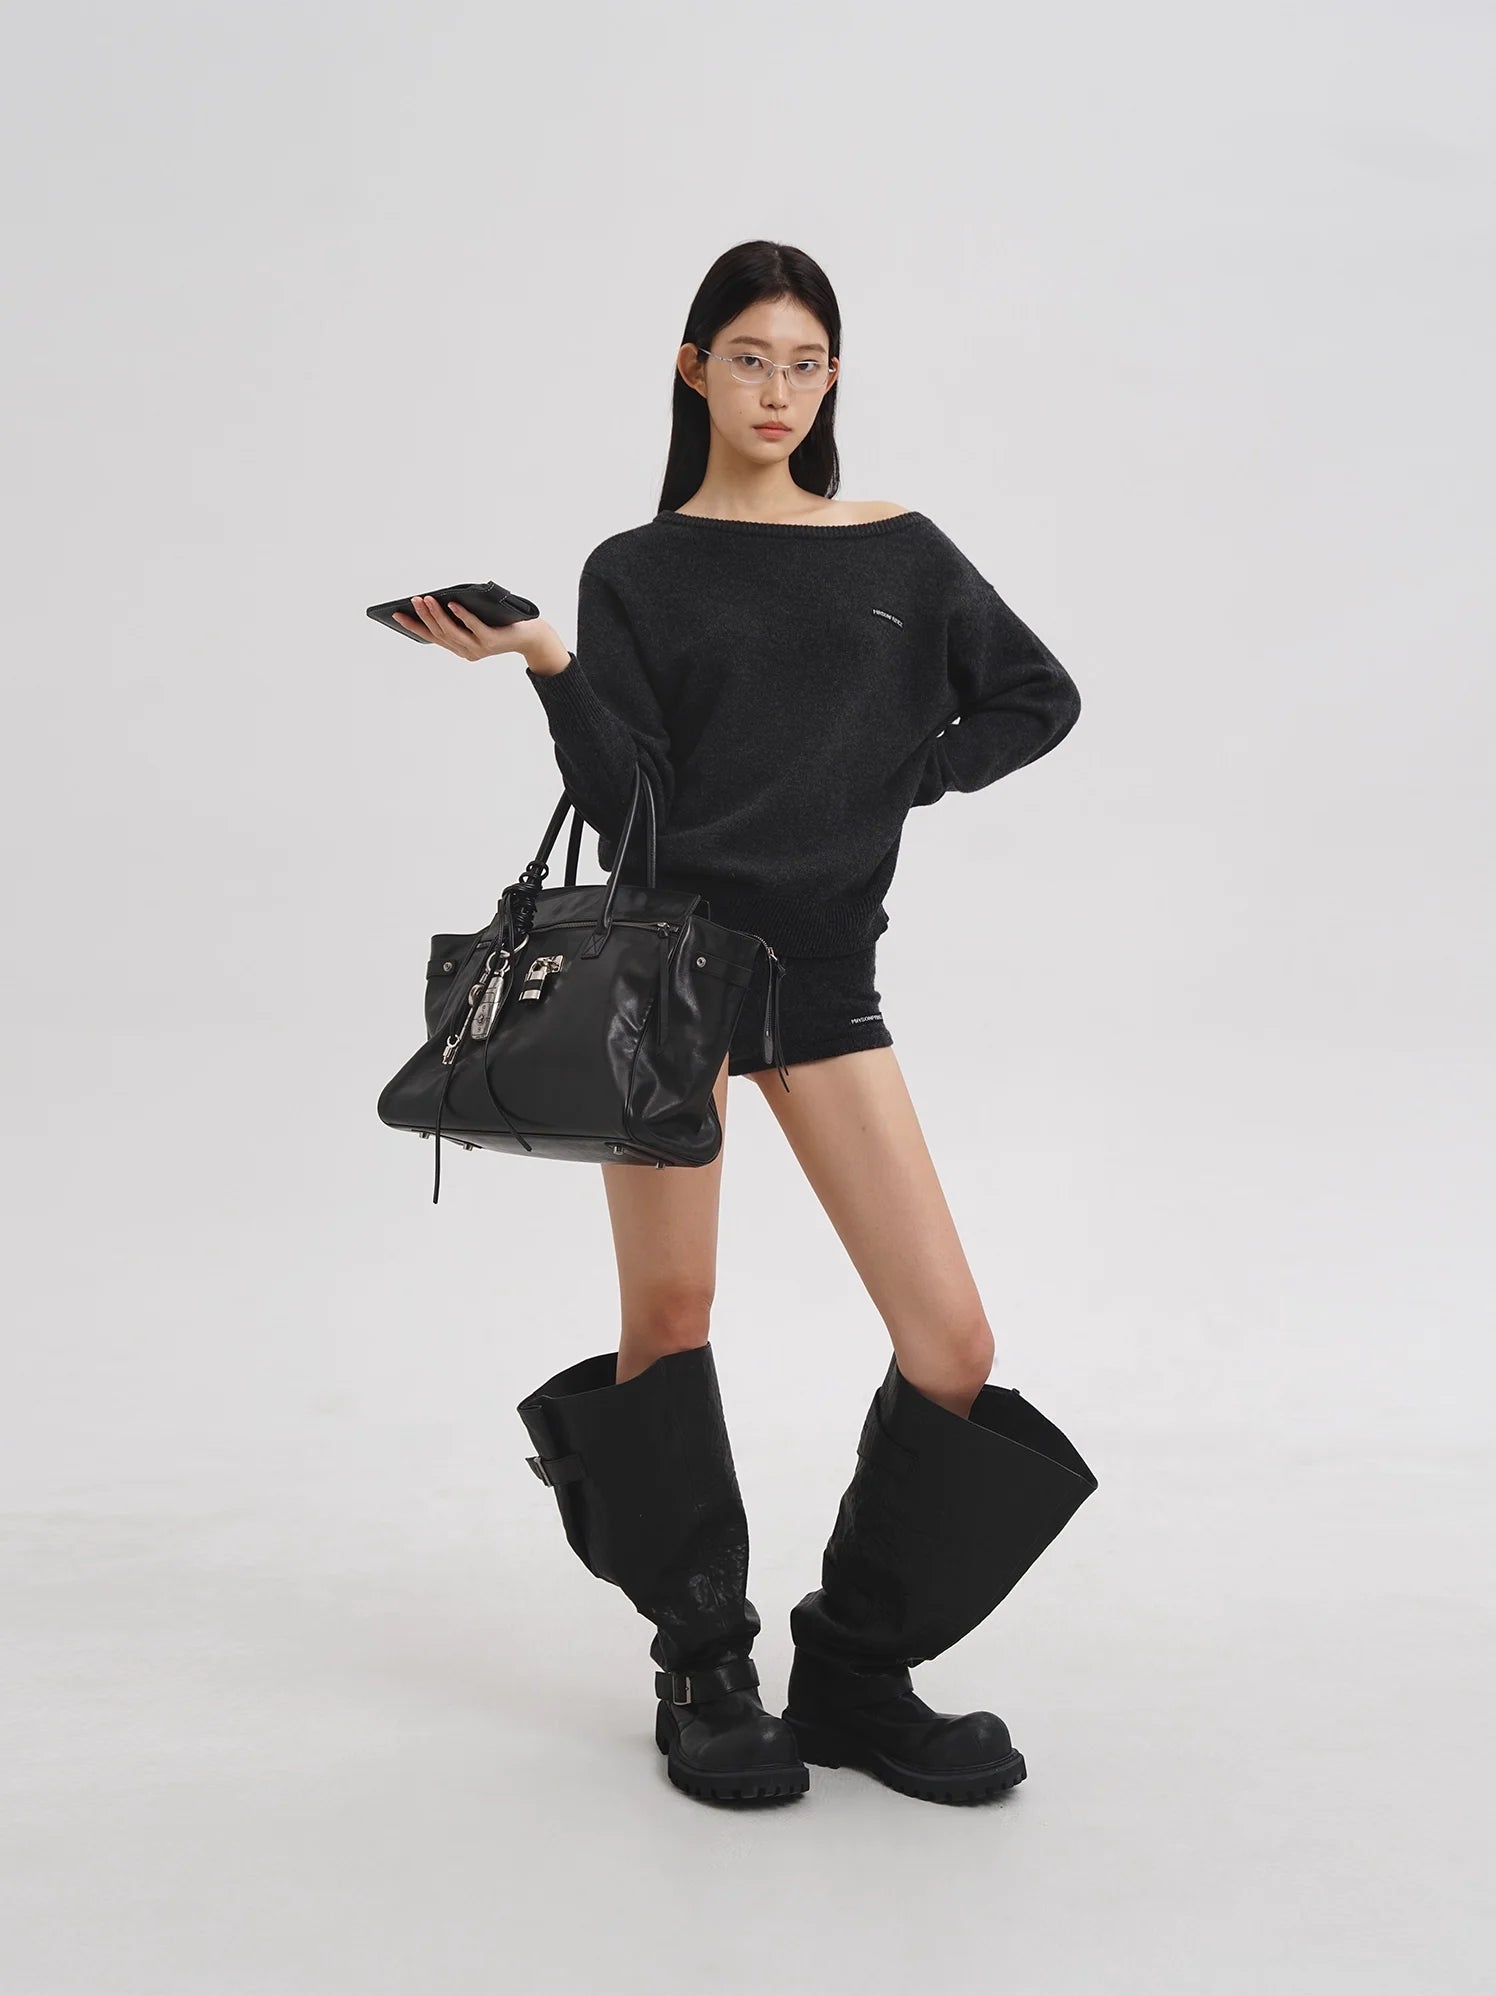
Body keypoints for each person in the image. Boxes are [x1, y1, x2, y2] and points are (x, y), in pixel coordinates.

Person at [393, 239, 1100, 1809]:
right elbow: (631, 808)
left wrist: (905, 774)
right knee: (673, 1316)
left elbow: (1036, 696)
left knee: (953, 1342)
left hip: (825, 980)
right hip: (671, 978)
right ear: (693, 370)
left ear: (831, 378)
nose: (778, 390)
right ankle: (704, 1670)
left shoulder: (901, 550)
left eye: (806, 363)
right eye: (749, 359)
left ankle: (854, 1669)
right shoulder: (638, 573)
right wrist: (549, 662)